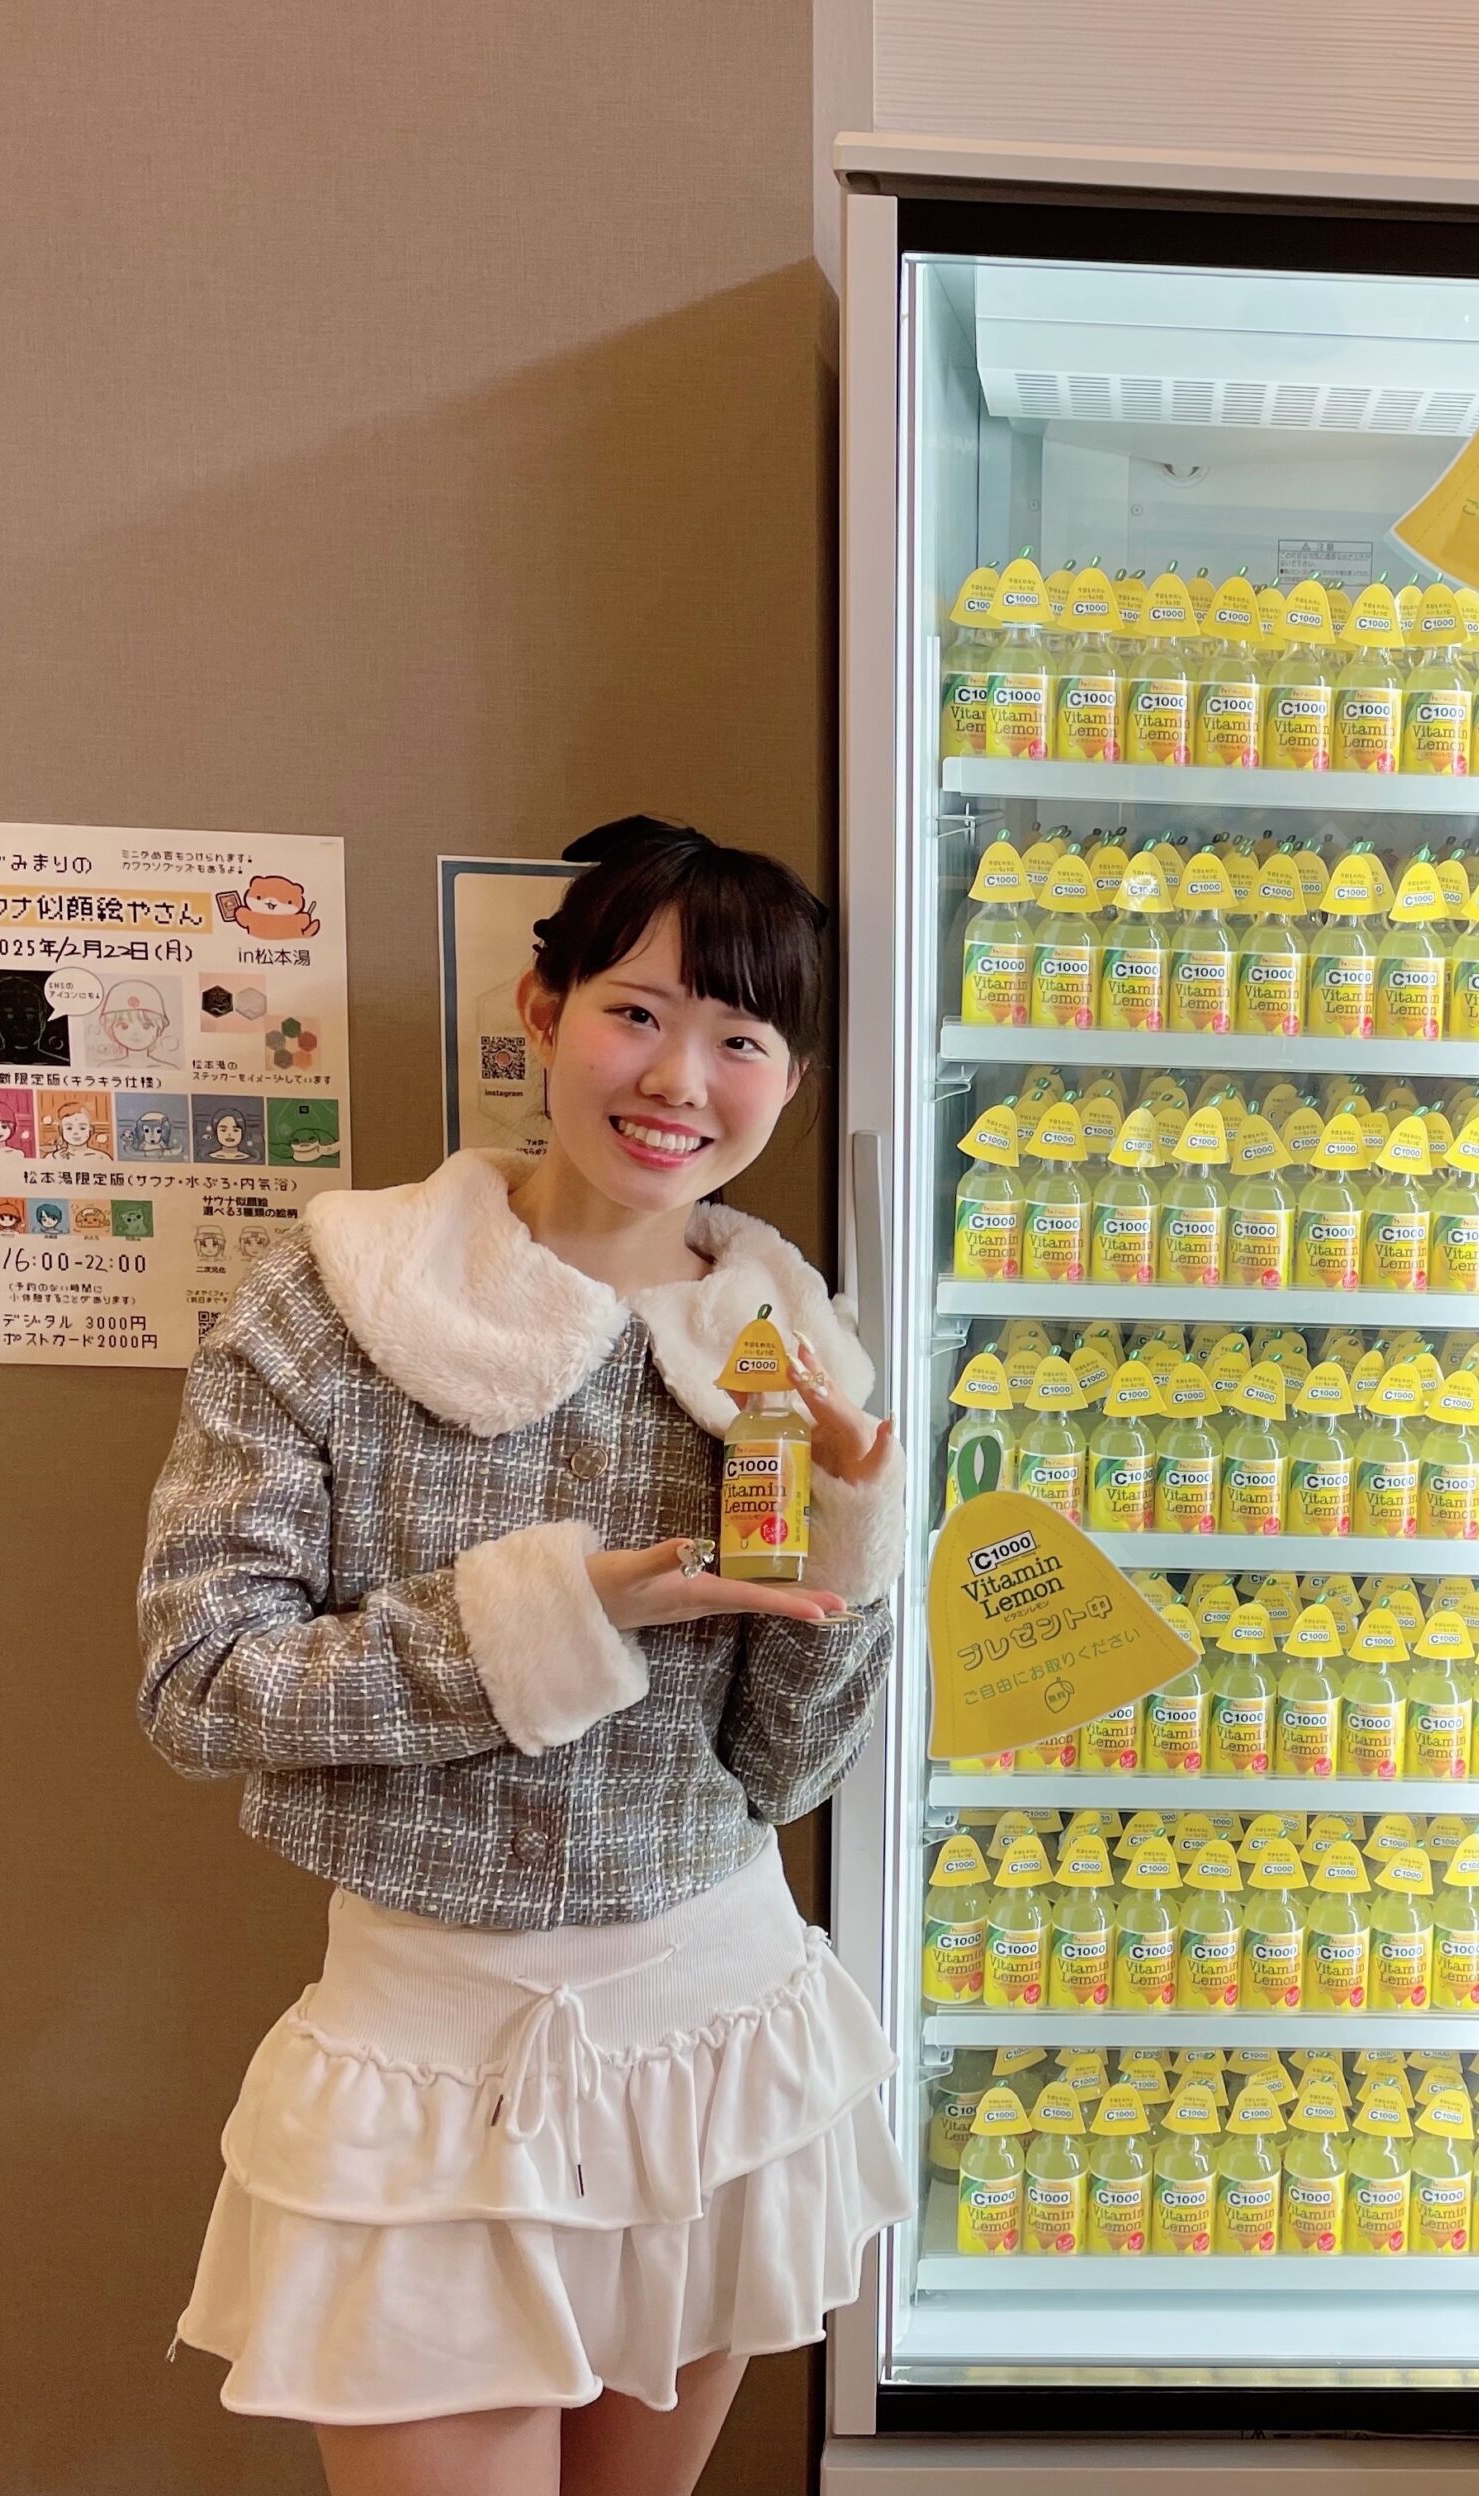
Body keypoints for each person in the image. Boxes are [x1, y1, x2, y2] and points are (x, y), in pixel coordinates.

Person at [138, 817, 912, 2496]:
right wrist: (558, 1618)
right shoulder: (332, 1304)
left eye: (742, 1039)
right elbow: (200, 1682)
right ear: (543, 1012)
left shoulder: (787, 1353)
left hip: (716, 2035)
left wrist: (848, 1564)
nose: (680, 1080)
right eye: (637, 1013)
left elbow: (784, 1772)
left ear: (791, 1081)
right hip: (428, 2058)